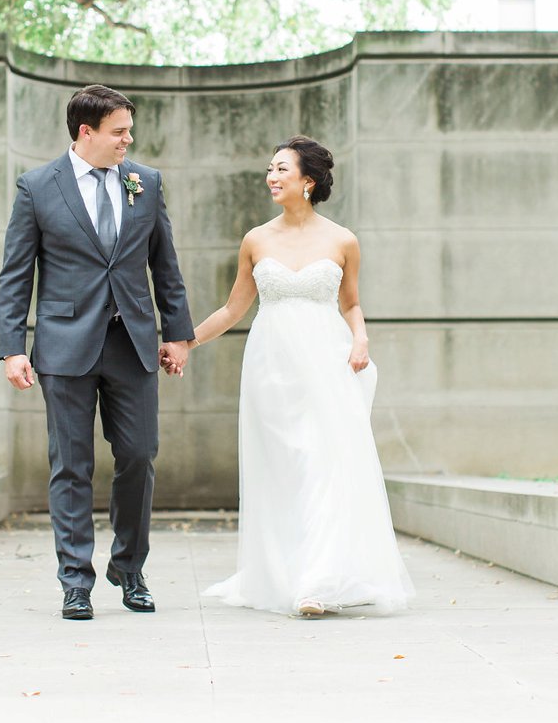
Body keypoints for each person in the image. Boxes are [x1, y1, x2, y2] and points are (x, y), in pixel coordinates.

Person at [164, 135, 413, 616]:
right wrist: (185, 342)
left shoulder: (342, 240)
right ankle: (286, 571)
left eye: (282, 169)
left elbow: (352, 303)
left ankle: (317, 582)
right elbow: (235, 307)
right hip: (271, 367)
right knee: (283, 468)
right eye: (269, 169)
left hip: (328, 361)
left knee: (326, 464)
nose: (272, 177)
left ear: (308, 181)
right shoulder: (256, 240)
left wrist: (360, 338)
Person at [0, 84, 195, 621]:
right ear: (87, 132)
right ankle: (75, 581)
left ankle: (129, 568)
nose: (129, 139)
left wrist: (176, 335)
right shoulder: (38, 187)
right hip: (63, 346)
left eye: (129, 130)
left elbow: (166, 267)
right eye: (120, 131)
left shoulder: (145, 183)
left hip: (132, 343)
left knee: (138, 455)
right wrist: (13, 347)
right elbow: (16, 274)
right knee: (71, 466)